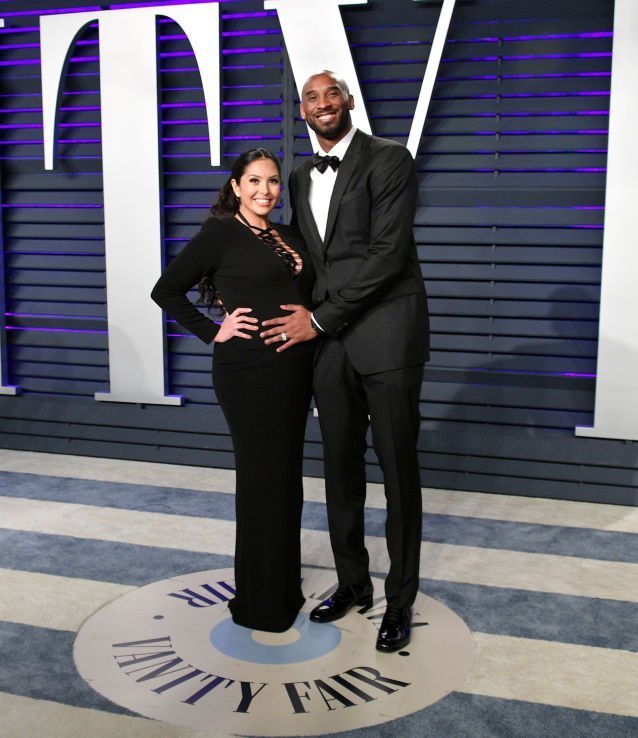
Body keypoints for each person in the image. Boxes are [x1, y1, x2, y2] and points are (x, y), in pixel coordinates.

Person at [259, 71, 429, 652]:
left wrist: (323, 319)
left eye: (332, 94)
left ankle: (399, 601)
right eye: (312, 97)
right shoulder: (302, 173)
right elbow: (308, 257)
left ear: (349, 102)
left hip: (387, 339)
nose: (323, 103)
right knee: (339, 469)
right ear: (302, 110)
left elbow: (387, 255)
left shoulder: (389, 159)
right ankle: (353, 584)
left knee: (399, 472)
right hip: (329, 348)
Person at [151, 148, 315, 633]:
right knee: (262, 482)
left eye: (272, 182)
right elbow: (166, 290)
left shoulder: (289, 235)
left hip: (293, 371)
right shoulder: (220, 232)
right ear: (237, 187)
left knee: (286, 482)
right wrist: (212, 330)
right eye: (255, 181)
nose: (265, 190)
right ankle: (260, 605)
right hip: (248, 372)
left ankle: (283, 589)